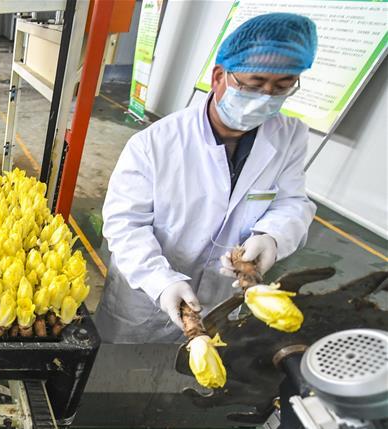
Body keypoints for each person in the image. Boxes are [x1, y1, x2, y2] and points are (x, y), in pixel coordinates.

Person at [94, 12, 318, 344]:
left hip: (220, 299)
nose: (266, 98)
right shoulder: (155, 143)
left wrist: (272, 236)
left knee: (195, 379)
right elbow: (125, 224)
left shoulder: (289, 136)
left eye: (282, 87)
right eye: (254, 85)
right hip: (144, 303)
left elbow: (292, 202)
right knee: (119, 377)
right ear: (218, 77)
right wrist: (162, 281)